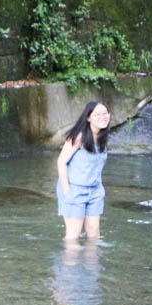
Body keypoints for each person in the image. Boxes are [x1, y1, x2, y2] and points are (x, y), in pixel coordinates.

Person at [56, 101, 111, 242]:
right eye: (97, 114)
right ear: (88, 118)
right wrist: (67, 191)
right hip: (75, 189)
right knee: (73, 236)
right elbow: (61, 162)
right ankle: (69, 264)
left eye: (105, 113)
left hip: (95, 191)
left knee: (94, 236)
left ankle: (92, 264)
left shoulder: (102, 137)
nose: (103, 117)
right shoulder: (78, 137)